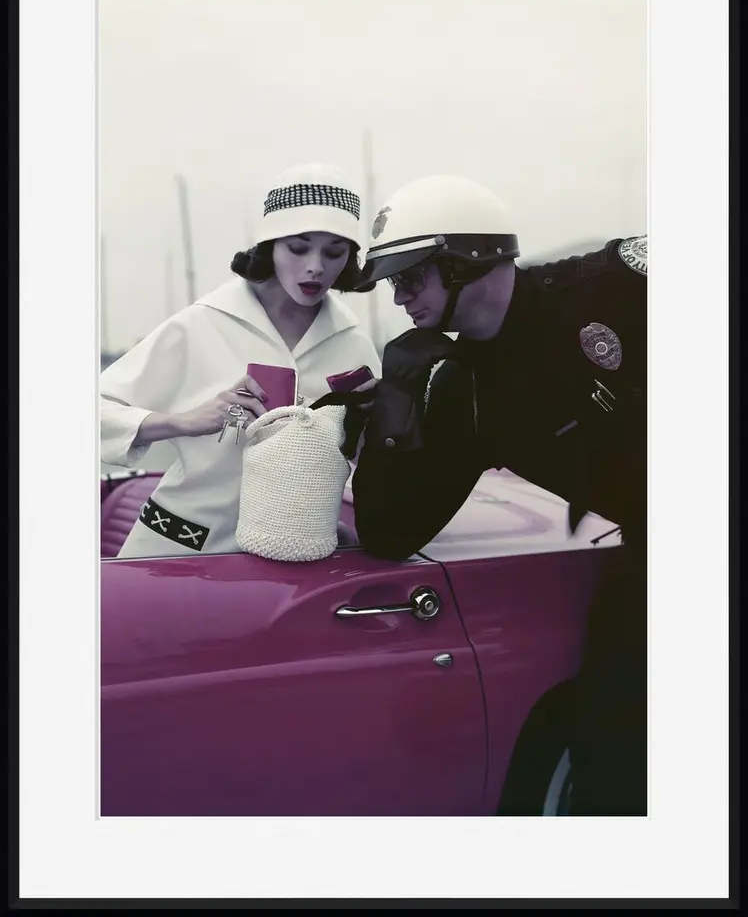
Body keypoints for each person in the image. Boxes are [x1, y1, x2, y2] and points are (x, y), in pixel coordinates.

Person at [351, 173, 647, 817]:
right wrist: (397, 400)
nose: (399, 297)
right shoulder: (464, 390)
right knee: (612, 744)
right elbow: (391, 531)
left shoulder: (618, 283)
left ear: (467, 261)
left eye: (411, 277)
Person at [101, 162, 381, 559]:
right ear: (269, 246)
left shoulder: (354, 345)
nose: (316, 266)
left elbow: (366, 461)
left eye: (334, 252)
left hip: (290, 560)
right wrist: (183, 421)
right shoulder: (203, 324)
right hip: (177, 550)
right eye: (298, 247)